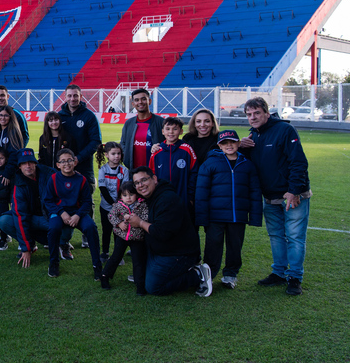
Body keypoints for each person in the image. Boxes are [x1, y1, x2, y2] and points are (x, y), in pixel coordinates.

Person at [239, 97, 311, 296]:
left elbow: (298, 162)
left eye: (256, 113)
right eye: (249, 114)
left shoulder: (285, 130)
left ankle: (295, 277)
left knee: (295, 237)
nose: (252, 118)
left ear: (266, 113)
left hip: (292, 196)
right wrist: (241, 147)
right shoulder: (253, 136)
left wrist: (294, 190)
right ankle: (279, 273)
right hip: (270, 197)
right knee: (276, 237)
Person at [126, 167, 212, 297]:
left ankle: (197, 274)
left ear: (154, 179)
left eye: (144, 180)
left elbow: (162, 233)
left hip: (179, 253)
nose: (141, 185)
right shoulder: (149, 198)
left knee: (153, 286)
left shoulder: (167, 199)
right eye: (137, 183)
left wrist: (140, 223)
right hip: (159, 250)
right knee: (143, 279)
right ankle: (148, 273)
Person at [195, 130, 262, 289]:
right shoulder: (211, 163)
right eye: (225, 143)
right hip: (215, 216)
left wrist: (255, 217)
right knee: (213, 247)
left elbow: (254, 192)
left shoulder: (247, 164)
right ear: (219, 145)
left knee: (235, 247)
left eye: (232, 142)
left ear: (239, 143)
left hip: (237, 216)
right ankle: (209, 275)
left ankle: (230, 275)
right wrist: (202, 217)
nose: (229, 145)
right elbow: (201, 192)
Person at [0, 149, 60, 268]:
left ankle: (61, 243)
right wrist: (26, 248)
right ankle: (31, 244)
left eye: (30, 162)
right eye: (24, 163)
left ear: (36, 163)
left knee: (64, 230)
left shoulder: (50, 174)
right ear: (19, 166)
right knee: (4, 221)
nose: (28, 166)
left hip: (50, 217)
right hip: (32, 219)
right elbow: (20, 215)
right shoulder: (18, 183)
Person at [44, 149, 102, 279]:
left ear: (74, 162)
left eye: (69, 160)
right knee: (53, 228)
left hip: (77, 213)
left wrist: (78, 215)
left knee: (91, 227)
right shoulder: (53, 179)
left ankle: (97, 265)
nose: (67, 164)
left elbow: (87, 202)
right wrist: (61, 212)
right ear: (58, 164)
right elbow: (48, 200)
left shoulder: (81, 179)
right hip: (59, 213)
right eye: (63, 161)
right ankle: (54, 263)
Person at [58, 84, 102, 249]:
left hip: (84, 167)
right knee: (63, 200)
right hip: (64, 168)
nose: (72, 98)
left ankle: (86, 234)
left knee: (86, 200)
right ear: (65, 96)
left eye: (75, 95)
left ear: (81, 97)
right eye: (69, 96)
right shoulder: (60, 115)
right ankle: (64, 236)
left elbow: (96, 141)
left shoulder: (89, 116)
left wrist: (78, 158)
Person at [100, 181, 148, 295]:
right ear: (121, 196)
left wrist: (136, 218)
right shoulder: (118, 205)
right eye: (125, 195)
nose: (128, 198)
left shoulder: (142, 204)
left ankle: (140, 285)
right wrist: (119, 223)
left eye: (131, 194)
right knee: (116, 257)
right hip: (122, 236)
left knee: (138, 261)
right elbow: (110, 215)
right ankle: (104, 276)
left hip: (137, 238)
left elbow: (147, 216)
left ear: (137, 194)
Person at [149, 117, 197, 215]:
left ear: (181, 131)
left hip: (182, 198)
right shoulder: (157, 152)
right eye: (168, 129)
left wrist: (190, 196)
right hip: (162, 198)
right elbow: (151, 175)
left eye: (175, 129)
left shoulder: (187, 150)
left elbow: (194, 172)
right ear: (163, 131)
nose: (171, 132)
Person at [96, 141, 129, 264]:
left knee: (118, 230)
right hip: (106, 207)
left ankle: (117, 254)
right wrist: (112, 203)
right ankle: (105, 252)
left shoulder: (124, 170)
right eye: (113, 153)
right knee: (107, 230)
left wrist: (119, 204)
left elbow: (124, 189)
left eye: (119, 153)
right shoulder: (103, 169)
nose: (117, 156)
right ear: (106, 155)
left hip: (120, 207)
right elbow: (103, 188)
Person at [121, 88, 165, 170]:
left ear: (150, 101)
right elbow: (123, 143)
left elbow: (169, 143)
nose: (140, 102)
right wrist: (127, 159)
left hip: (156, 171)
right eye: (137, 100)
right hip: (134, 171)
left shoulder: (161, 122)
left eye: (143, 99)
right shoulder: (129, 123)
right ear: (133, 104)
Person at [0, 105, 23, 186]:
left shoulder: (14, 132)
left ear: (11, 117)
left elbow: (14, 155)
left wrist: (7, 173)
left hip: (8, 174)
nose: (3, 118)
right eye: (1, 115)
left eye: (6, 115)